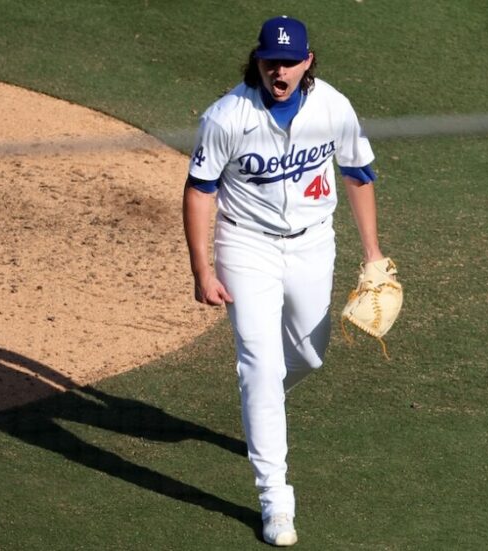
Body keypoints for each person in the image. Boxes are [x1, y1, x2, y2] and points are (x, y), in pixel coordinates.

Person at [182, 15, 388, 547]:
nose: (280, 70)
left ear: (308, 61)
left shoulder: (332, 107)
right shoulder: (228, 116)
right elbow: (200, 189)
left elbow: (359, 173)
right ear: (258, 60)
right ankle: (275, 499)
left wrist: (373, 254)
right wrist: (202, 269)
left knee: (309, 356)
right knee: (259, 360)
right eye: (271, 60)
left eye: (290, 60)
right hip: (245, 245)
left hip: (313, 243)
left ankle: (261, 401)